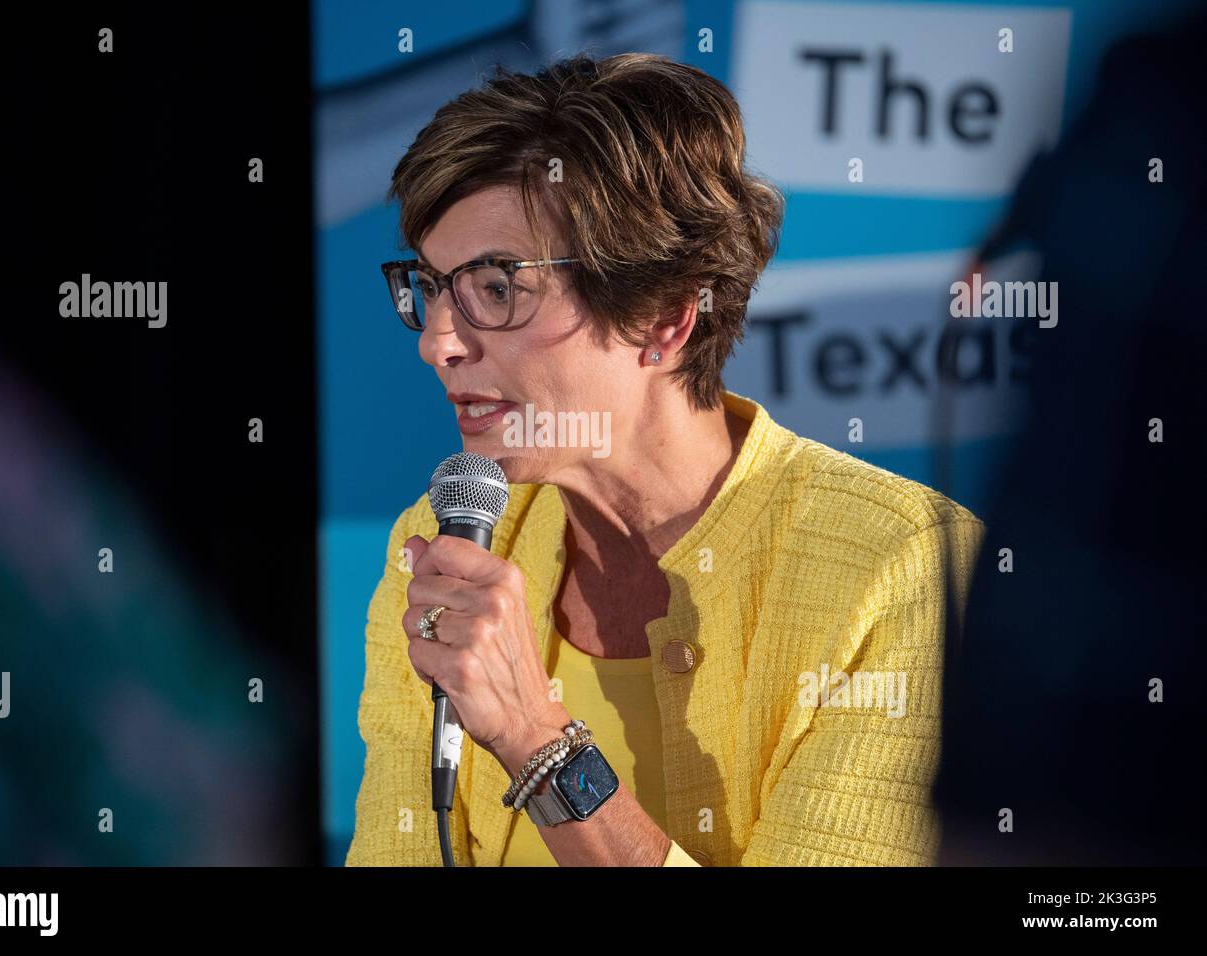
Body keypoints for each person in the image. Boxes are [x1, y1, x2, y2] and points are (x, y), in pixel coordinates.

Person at [346, 53, 983, 867]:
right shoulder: (441, 546)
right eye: (430, 286)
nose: (439, 341)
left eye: (497, 287)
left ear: (666, 316)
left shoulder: (909, 572)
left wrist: (539, 741)